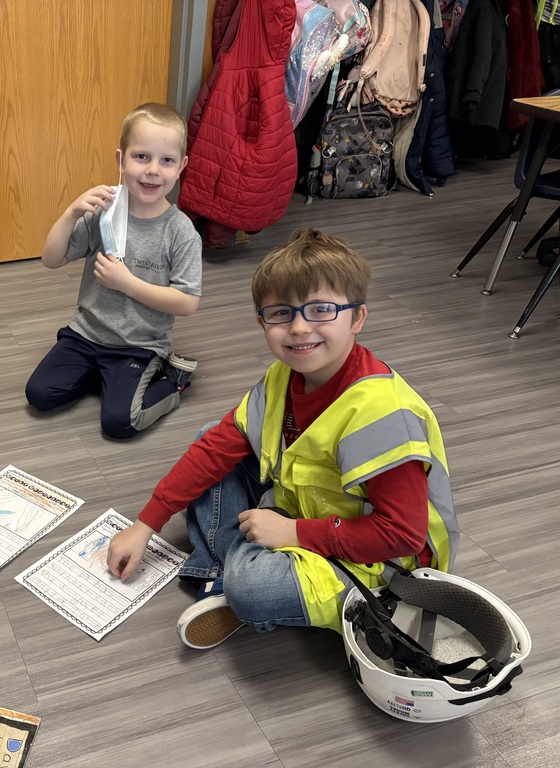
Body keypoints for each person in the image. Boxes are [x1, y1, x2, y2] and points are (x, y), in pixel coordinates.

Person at [106, 229, 459, 649]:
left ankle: (228, 576)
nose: (298, 328)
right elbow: (215, 446)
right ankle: (232, 567)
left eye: (321, 310)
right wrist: (145, 525)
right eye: (280, 313)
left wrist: (294, 533)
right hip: (307, 509)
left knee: (253, 590)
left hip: (381, 562)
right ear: (262, 322)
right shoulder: (284, 376)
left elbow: (401, 537)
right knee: (213, 446)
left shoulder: (381, 414)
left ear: (357, 318)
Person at [24, 102, 203, 439]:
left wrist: (128, 284)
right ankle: (105, 378)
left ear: (181, 167)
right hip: (85, 334)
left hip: (138, 345)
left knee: (120, 422)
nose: (153, 170)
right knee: (39, 395)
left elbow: (187, 302)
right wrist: (71, 213)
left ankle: (173, 381)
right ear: (121, 160)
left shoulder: (180, 232)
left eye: (166, 160)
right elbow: (51, 259)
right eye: (141, 157)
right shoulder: (105, 213)